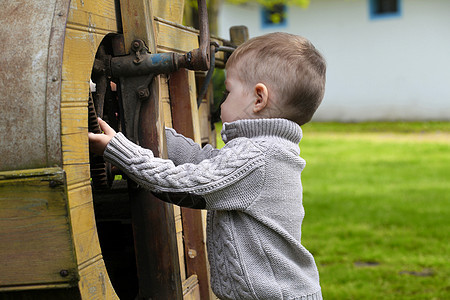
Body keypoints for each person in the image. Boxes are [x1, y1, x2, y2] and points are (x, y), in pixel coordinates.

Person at [89, 32, 326, 300]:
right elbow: (203, 161)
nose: (222, 101)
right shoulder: (268, 149)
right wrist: (142, 127)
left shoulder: (257, 156)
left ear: (259, 99)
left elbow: (184, 185)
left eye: (228, 91)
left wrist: (118, 150)